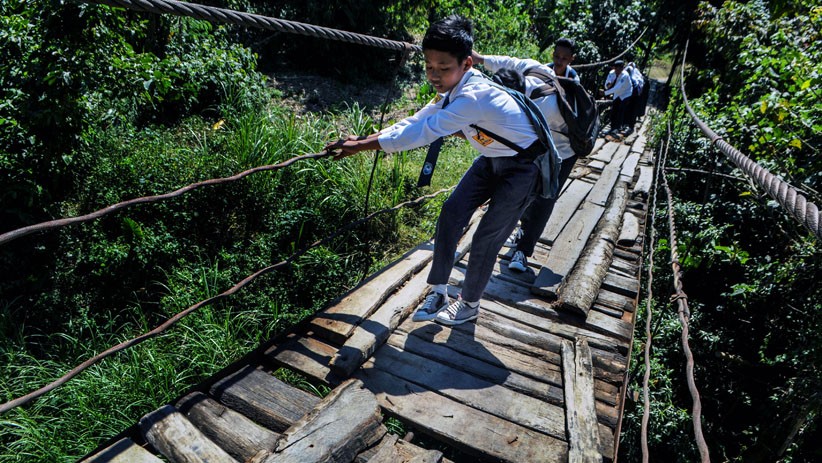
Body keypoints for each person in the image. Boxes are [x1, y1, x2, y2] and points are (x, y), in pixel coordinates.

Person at [325, 15, 553, 326]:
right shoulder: (455, 89)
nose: (434, 75)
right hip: (491, 158)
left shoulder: (473, 97)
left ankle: (470, 302)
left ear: (467, 64)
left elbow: (422, 133)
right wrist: (363, 139)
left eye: (444, 68)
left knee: (488, 235)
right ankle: (440, 290)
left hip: (523, 168)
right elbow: (416, 119)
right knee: (451, 211)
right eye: (429, 66)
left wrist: (362, 147)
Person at [471, 48, 580, 273]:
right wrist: (479, 58)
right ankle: (522, 229)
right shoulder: (530, 71)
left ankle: (523, 250)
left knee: (544, 197)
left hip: (563, 150)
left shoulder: (537, 107)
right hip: (539, 144)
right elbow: (507, 60)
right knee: (527, 190)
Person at [603, 59, 633, 138]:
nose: (617, 70)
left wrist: (605, 93)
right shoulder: (611, 73)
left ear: (622, 68)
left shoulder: (625, 75)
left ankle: (617, 128)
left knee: (621, 109)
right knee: (614, 110)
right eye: (616, 68)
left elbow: (618, 87)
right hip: (617, 93)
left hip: (626, 93)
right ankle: (612, 127)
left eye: (619, 69)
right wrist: (607, 86)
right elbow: (607, 83)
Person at [625, 61, 645, 130]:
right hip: (630, 93)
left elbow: (640, 83)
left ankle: (630, 125)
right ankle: (625, 123)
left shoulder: (635, 75)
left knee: (632, 109)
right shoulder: (627, 73)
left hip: (635, 94)